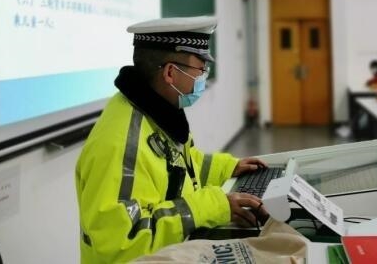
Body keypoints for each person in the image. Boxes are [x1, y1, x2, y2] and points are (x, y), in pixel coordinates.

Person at [75, 17, 268, 262]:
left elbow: (182, 166)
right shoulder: (121, 145)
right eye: (201, 70)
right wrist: (212, 206)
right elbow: (124, 243)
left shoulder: (158, 112)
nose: (204, 77)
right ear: (170, 72)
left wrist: (227, 168)